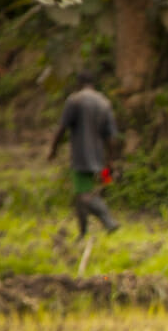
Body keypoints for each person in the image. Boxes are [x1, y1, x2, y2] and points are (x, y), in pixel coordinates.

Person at [47, 69, 121, 238]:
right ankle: (83, 233)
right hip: (99, 156)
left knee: (83, 194)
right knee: (80, 194)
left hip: (81, 156)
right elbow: (111, 137)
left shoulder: (75, 100)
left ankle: (109, 221)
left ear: (79, 84)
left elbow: (62, 128)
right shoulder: (104, 102)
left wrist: (53, 150)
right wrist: (110, 161)